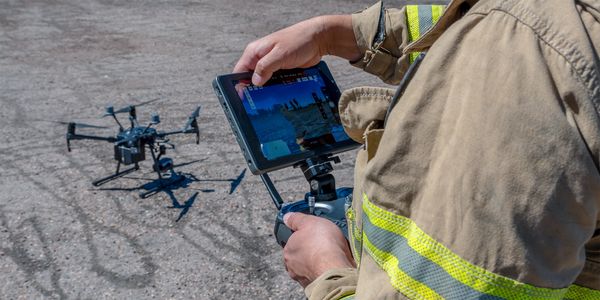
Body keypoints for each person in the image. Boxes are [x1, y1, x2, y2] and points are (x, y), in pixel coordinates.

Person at [234, 0, 600, 299]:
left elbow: (512, 35)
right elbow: (470, 27)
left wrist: (327, 272)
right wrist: (338, 33)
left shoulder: (528, 43)